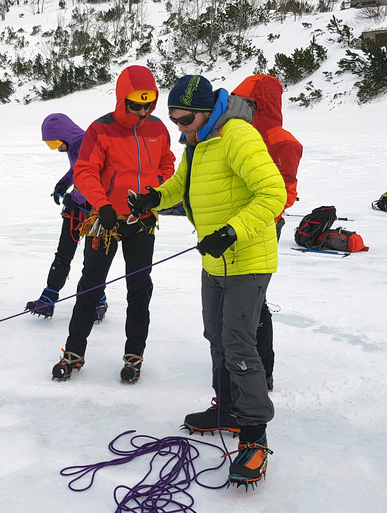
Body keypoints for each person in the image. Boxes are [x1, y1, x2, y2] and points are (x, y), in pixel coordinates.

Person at [128, 75, 286, 487]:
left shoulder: (238, 136)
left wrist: (232, 231)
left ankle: (254, 436)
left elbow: (273, 194)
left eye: (184, 119)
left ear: (205, 110)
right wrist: (153, 198)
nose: (179, 128)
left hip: (247, 257)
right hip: (215, 259)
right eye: (173, 119)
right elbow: (182, 184)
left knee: (237, 340)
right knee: (214, 334)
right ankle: (227, 409)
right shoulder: (199, 140)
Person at [50, 65, 175, 384]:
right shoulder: (101, 130)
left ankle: (135, 356)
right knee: (89, 286)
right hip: (103, 221)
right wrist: (101, 203)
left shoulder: (158, 129)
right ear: (122, 99)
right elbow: (85, 171)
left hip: (141, 220)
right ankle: (73, 353)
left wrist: (155, 191)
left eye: (149, 104)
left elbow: (167, 165)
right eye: (136, 104)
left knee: (139, 289)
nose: (143, 110)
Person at [232, 74, 303, 392]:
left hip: (262, 227)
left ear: (261, 105)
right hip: (233, 226)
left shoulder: (282, 141)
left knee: (253, 299)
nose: (239, 109)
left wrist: (253, 218)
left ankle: (263, 369)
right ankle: (242, 361)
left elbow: (284, 194)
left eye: (246, 103)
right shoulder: (238, 136)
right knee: (233, 296)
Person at [24, 113, 108, 321]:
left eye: (54, 143)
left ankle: (99, 301)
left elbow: (97, 176)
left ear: (64, 135)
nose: (56, 149)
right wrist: (62, 184)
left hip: (96, 208)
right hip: (77, 207)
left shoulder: (89, 142)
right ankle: (49, 298)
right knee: (63, 253)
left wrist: (75, 196)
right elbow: (76, 170)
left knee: (93, 258)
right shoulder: (73, 146)